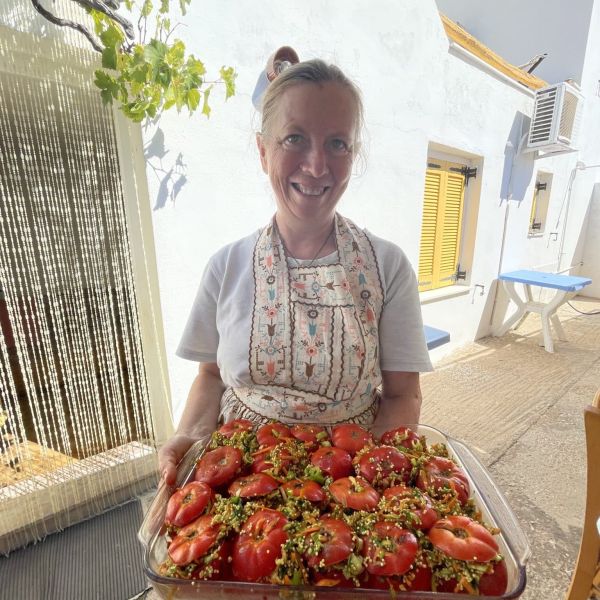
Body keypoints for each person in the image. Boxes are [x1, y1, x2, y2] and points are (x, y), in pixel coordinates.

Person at [159, 58, 433, 485]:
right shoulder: (225, 267)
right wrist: (191, 438)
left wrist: (373, 481)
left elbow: (402, 394)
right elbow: (210, 376)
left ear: (353, 154)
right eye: (294, 138)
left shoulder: (388, 266)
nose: (317, 166)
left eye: (338, 143)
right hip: (238, 479)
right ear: (263, 151)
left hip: (349, 483)